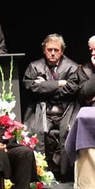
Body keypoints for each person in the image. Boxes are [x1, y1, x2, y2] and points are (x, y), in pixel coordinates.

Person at [21, 34, 83, 174]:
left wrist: (45, 86)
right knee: (36, 132)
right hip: (42, 108)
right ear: (44, 50)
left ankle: (64, 173)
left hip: (66, 109)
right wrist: (58, 84)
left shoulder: (72, 67)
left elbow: (71, 90)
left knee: (68, 132)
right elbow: (31, 88)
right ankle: (40, 171)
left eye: (56, 50)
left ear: (62, 51)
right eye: (49, 50)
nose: (53, 53)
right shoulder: (34, 66)